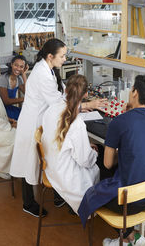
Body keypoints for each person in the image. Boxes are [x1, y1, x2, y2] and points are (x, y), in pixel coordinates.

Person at [10, 39, 106, 217]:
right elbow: (59, 103)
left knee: (47, 158)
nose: (64, 59)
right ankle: (28, 203)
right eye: (62, 56)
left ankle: (58, 196)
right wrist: (86, 105)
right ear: (50, 56)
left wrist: (80, 102)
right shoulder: (41, 74)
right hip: (33, 122)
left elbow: (62, 95)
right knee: (28, 163)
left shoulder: (48, 68)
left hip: (44, 119)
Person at [78, 75, 145, 246]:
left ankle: (126, 238)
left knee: (91, 192)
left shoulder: (119, 122)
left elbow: (108, 163)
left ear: (134, 92)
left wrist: (122, 150)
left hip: (128, 202)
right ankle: (131, 236)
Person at [41, 75, 100, 214]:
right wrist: (94, 152)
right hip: (67, 177)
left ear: (65, 90)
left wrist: (84, 146)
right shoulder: (76, 123)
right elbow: (85, 160)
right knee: (99, 165)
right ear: (86, 94)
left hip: (51, 167)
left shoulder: (52, 108)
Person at [0, 55, 29, 120]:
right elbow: (6, 101)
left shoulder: (19, 79)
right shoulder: (3, 79)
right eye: (16, 65)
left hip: (10, 108)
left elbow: (28, 93)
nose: (18, 69)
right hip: (0, 111)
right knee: (25, 118)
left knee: (28, 115)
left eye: (21, 67)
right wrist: (24, 99)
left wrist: (24, 74)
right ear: (11, 64)